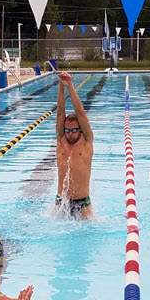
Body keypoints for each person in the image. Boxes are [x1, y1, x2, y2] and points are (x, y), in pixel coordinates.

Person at [55, 71, 94, 219]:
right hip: (61, 201)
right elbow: (60, 112)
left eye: (73, 130)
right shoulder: (61, 139)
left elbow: (80, 112)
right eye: (67, 130)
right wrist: (61, 85)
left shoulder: (87, 140)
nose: (69, 133)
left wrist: (70, 86)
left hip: (82, 203)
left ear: (80, 130)